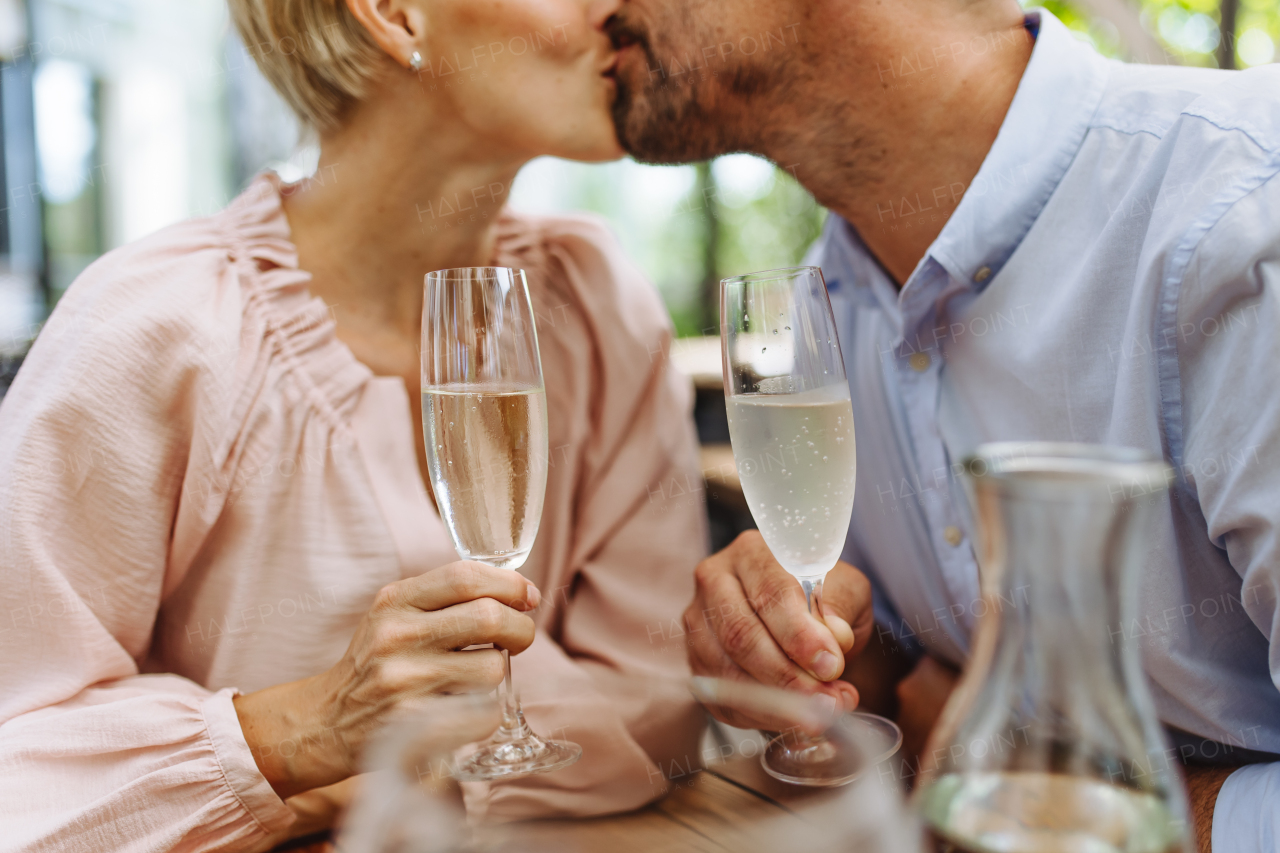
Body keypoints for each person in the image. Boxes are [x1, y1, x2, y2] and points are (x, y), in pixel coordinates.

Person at [0, 0, 708, 848]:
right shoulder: (152, 329)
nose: (623, 6)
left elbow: (658, 719)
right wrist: (308, 726)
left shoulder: (595, 305)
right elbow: (22, 772)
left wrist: (332, 788)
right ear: (394, 12)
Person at [604, 0, 1280, 850]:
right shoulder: (838, 293)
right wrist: (817, 650)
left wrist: (1043, 798)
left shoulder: (1247, 214)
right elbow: (892, 658)